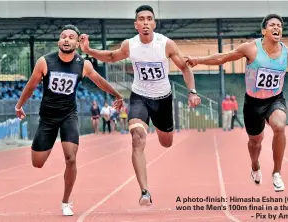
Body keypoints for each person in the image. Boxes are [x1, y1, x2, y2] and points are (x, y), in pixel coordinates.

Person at [79, 5, 201, 205]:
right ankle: (145, 191)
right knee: (137, 138)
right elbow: (111, 57)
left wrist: (192, 91)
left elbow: (184, 68)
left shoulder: (166, 44)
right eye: (141, 19)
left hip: (163, 99)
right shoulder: (130, 45)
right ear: (136, 25)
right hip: (140, 97)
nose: (145, 22)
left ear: (154, 23)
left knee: (166, 142)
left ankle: (161, 130)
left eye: (149, 19)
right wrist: (89, 50)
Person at [14, 25, 123, 216]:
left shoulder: (83, 64)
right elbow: (31, 86)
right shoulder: (44, 62)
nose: (66, 40)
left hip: (68, 116)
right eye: (63, 36)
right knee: (37, 163)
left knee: (71, 158)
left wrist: (117, 95)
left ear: (77, 42)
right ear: (58, 41)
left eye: (71, 37)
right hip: (47, 118)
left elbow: (99, 81)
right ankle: (47, 144)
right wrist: (19, 105)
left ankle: (66, 201)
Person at [185, 14, 288, 192]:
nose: (277, 28)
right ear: (264, 31)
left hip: (275, 99)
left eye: (279, 26)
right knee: (255, 142)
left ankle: (276, 173)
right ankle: (255, 166)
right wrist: (198, 60)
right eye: (273, 25)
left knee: (280, 126)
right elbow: (223, 58)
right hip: (253, 103)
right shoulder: (251, 48)